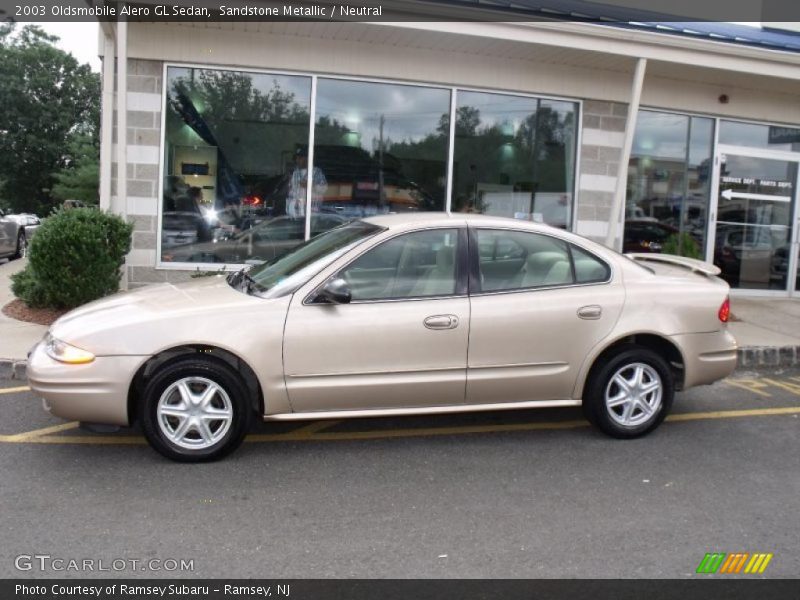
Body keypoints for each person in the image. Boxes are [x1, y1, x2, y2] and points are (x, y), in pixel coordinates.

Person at [286, 147, 327, 219]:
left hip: (312, 213)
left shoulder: (316, 172)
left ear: (307, 158)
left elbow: (324, 189)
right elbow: (290, 191)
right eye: (296, 158)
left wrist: (310, 186)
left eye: (300, 158)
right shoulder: (295, 173)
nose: (297, 160)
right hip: (296, 212)